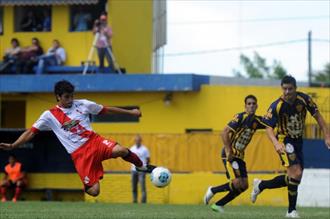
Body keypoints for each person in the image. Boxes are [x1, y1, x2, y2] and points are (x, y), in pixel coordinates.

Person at [0, 80, 156, 197]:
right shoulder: (49, 115)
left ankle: (141, 166)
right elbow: (31, 132)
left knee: (121, 150)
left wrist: (131, 112)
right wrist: (14, 145)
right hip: (80, 155)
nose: (70, 100)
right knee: (94, 192)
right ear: (58, 97)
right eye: (66, 97)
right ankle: (87, 183)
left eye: (72, 96)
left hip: (95, 142)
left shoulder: (83, 104)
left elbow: (106, 110)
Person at [251, 75, 330, 218]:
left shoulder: (304, 100)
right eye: (284, 89)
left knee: (295, 178)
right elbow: (268, 128)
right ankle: (291, 211)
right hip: (284, 140)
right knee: (297, 173)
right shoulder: (277, 105)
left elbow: (319, 117)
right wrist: (276, 143)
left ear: (295, 89)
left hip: (298, 141)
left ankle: (260, 185)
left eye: (290, 89)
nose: (287, 92)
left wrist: (327, 135)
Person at [203, 95, 265, 213]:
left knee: (244, 186)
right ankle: (213, 190)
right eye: (249, 104)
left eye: (253, 104)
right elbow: (224, 132)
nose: (251, 106)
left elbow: (270, 123)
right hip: (231, 154)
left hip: (240, 156)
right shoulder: (240, 117)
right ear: (245, 106)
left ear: (257, 106)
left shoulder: (256, 121)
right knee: (237, 183)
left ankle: (218, 205)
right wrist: (228, 150)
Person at [130, 135, 150, 203]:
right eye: (136, 140)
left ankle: (143, 201)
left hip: (142, 170)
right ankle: (134, 200)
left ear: (140, 141)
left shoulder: (145, 149)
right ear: (135, 141)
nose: (137, 141)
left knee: (142, 186)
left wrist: (146, 168)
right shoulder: (132, 148)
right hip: (133, 170)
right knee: (133, 186)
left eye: (139, 140)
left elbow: (148, 159)